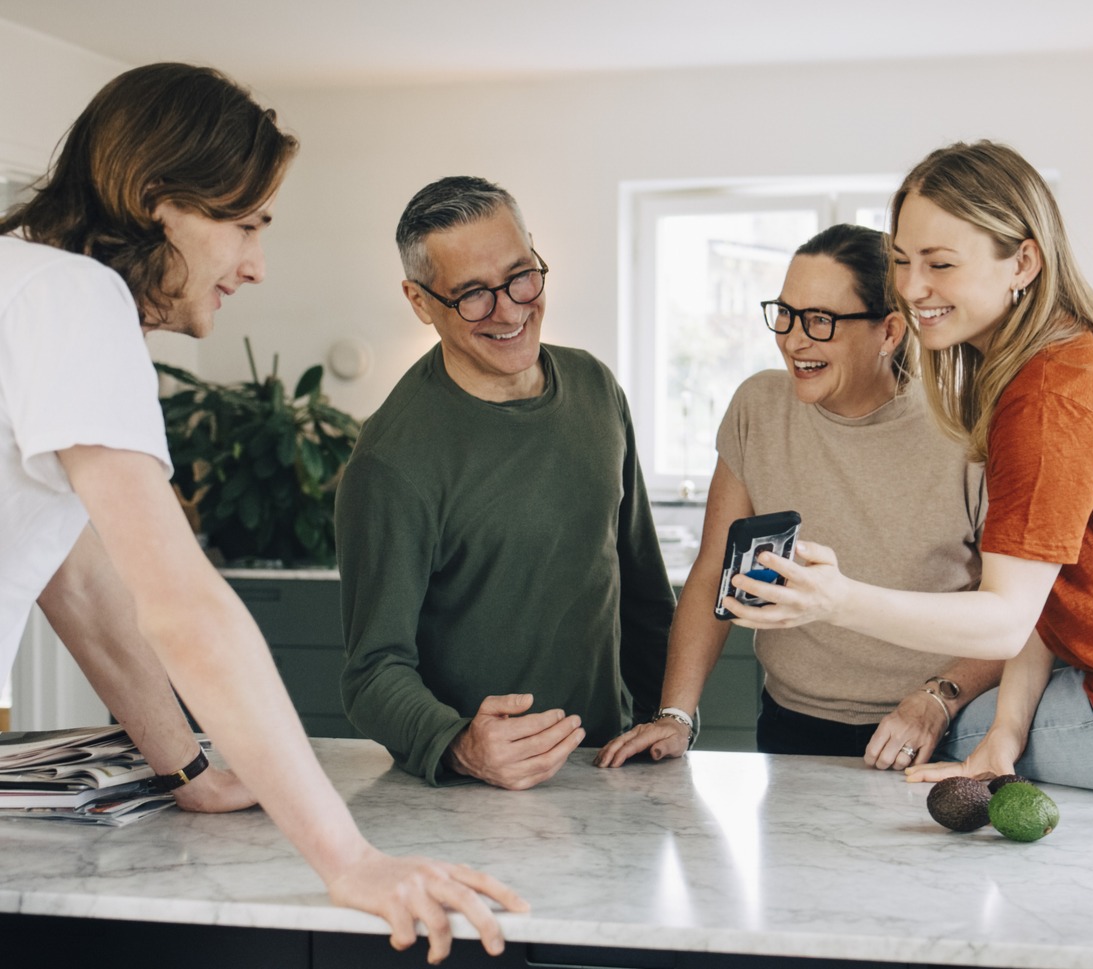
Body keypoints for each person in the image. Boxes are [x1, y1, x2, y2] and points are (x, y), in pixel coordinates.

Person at [0, 64, 525, 961]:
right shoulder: (74, 296)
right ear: (158, 200)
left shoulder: (24, 285)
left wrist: (189, 768)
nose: (254, 264)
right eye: (242, 224)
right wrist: (348, 857)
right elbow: (181, 606)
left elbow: (77, 578)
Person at [719, 142, 1093, 795]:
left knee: (898, 753)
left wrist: (837, 598)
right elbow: (1037, 599)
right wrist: (1005, 734)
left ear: (1022, 260)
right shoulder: (1066, 354)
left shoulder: (1049, 402)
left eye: (940, 263)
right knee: (979, 733)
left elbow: (1003, 617)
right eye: (903, 262)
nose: (912, 289)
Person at [596, 224, 1001, 771]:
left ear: (890, 332)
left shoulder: (968, 429)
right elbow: (717, 565)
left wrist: (937, 700)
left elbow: (1015, 613)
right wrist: (676, 715)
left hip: (934, 728)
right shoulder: (758, 406)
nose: (793, 340)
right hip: (790, 724)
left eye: (820, 321)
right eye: (784, 314)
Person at [335, 176, 673, 792]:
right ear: (418, 300)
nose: (511, 310)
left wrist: (672, 714)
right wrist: (462, 746)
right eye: (471, 295)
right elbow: (372, 673)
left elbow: (643, 589)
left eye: (522, 275)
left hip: (611, 773)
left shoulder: (596, 390)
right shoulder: (392, 461)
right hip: (473, 796)